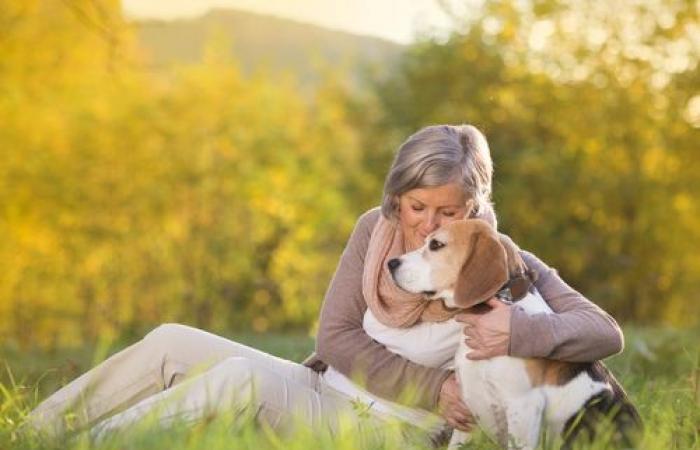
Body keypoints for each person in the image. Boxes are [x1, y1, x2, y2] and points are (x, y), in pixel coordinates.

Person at [27, 124, 623, 445]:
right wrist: (435, 384)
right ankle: (33, 435)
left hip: (387, 429)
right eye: (417, 207)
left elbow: (604, 333)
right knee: (171, 340)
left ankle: (91, 445)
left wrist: (517, 329)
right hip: (325, 384)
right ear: (396, 198)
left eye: (450, 211)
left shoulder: (502, 264)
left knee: (236, 380)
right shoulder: (375, 231)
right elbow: (334, 337)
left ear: (475, 205)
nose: (429, 226)